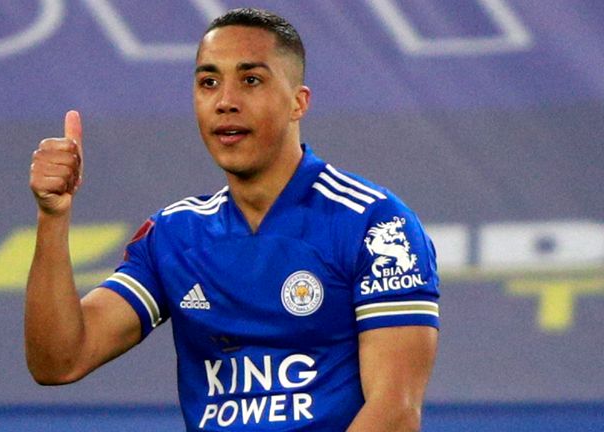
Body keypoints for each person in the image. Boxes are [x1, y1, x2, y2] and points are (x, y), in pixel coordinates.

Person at [26, 7, 439, 431]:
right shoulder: (174, 236)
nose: (225, 102)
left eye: (251, 80)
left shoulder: (375, 225)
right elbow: (60, 361)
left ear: (299, 102)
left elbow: (396, 411)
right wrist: (52, 216)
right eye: (209, 83)